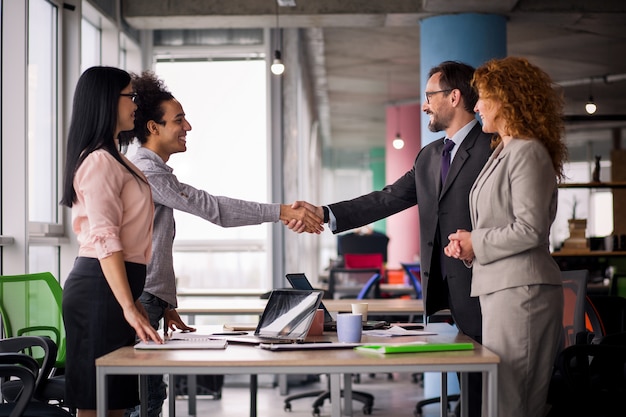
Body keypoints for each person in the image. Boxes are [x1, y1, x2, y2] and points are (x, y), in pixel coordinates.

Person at [288, 61, 492, 417]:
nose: (425, 105)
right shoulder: (430, 156)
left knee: (489, 388)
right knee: (465, 383)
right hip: (442, 293)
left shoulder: (492, 147)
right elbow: (388, 198)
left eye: (430, 96)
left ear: (454, 97)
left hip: (484, 288)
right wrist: (324, 213)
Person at [119, 70, 324, 417]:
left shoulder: (153, 172)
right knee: (146, 399)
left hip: (150, 297)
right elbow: (213, 208)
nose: (188, 127)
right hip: (142, 298)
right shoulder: (147, 171)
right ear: (153, 128)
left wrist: (163, 299)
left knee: (149, 394)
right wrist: (281, 211)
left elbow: (148, 237)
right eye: (179, 120)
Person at [444, 56, 567, 417]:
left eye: (482, 97)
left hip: (522, 293)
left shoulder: (527, 152)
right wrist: (469, 244)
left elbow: (530, 229)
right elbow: (503, 222)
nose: (477, 105)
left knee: (513, 403)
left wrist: (476, 242)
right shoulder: (505, 150)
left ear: (507, 98)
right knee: (501, 400)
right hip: (502, 290)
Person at [60, 66, 163, 417]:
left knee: (114, 403)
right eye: (129, 96)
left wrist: (131, 301)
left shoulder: (115, 158)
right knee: (96, 404)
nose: (136, 104)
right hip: (99, 291)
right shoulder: (99, 162)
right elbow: (105, 239)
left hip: (113, 288)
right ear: (107, 100)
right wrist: (129, 306)